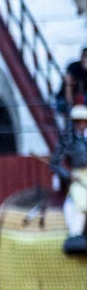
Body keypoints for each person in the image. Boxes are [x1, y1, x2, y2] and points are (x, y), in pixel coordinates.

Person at [52, 104, 87, 253]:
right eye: (76, 121)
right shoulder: (67, 139)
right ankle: (76, 234)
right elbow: (55, 163)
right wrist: (68, 175)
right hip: (77, 174)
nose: (79, 124)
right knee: (81, 200)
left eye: (82, 121)